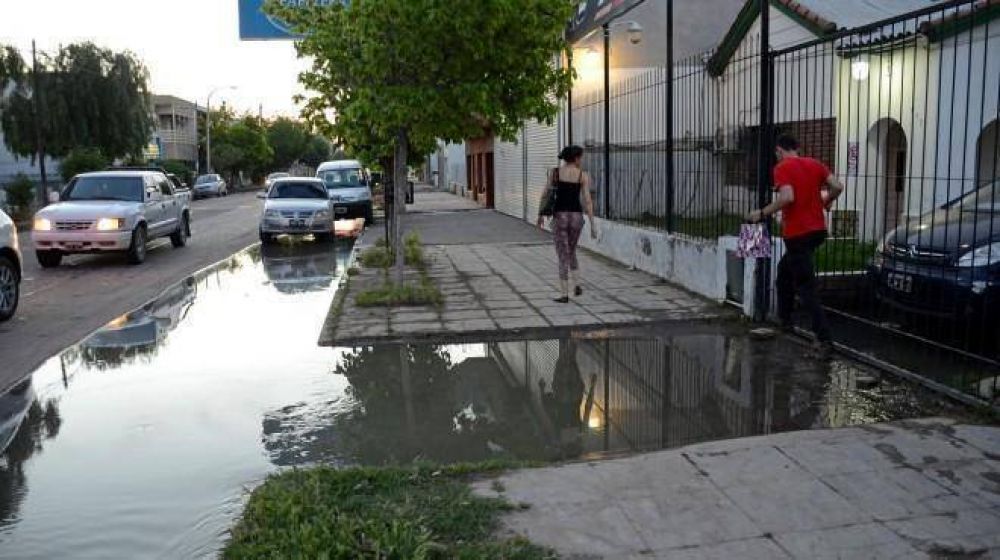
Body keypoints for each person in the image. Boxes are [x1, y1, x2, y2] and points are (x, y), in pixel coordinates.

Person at [747, 134, 844, 357]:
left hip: (798, 234)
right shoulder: (815, 163)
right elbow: (837, 186)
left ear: (779, 151)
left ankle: (824, 341)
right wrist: (825, 201)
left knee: (806, 288)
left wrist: (761, 213)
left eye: (777, 154)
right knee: (783, 273)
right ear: (797, 149)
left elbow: (787, 197)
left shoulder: (782, 167)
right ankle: (786, 321)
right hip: (817, 231)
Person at [537, 145, 597, 303]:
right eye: (580, 157)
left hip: (560, 217)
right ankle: (577, 284)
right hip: (577, 217)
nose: (581, 160)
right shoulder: (583, 176)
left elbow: (545, 194)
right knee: (571, 251)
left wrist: (540, 214)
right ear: (576, 158)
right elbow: (588, 201)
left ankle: (564, 295)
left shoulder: (555, 173)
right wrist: (592, 224)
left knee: (563, 255)